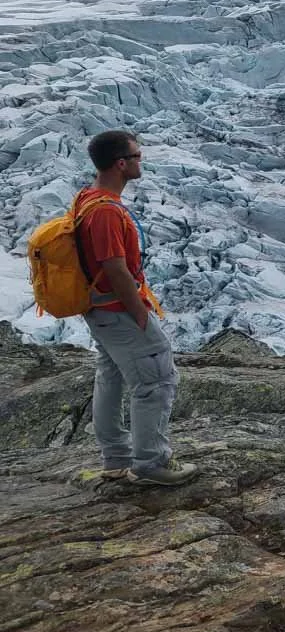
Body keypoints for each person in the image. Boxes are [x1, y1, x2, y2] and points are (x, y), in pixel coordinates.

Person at [77, 130, 197, 486]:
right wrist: (140, 315)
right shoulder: (106, 213)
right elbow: (114, 268)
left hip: (100, 309)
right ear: (121, 164)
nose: (140, 161)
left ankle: (116, 458)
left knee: (111, 375)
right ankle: (150, 464)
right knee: (156, 380)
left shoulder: (88, 198)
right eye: (137, 156)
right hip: (117, 309)